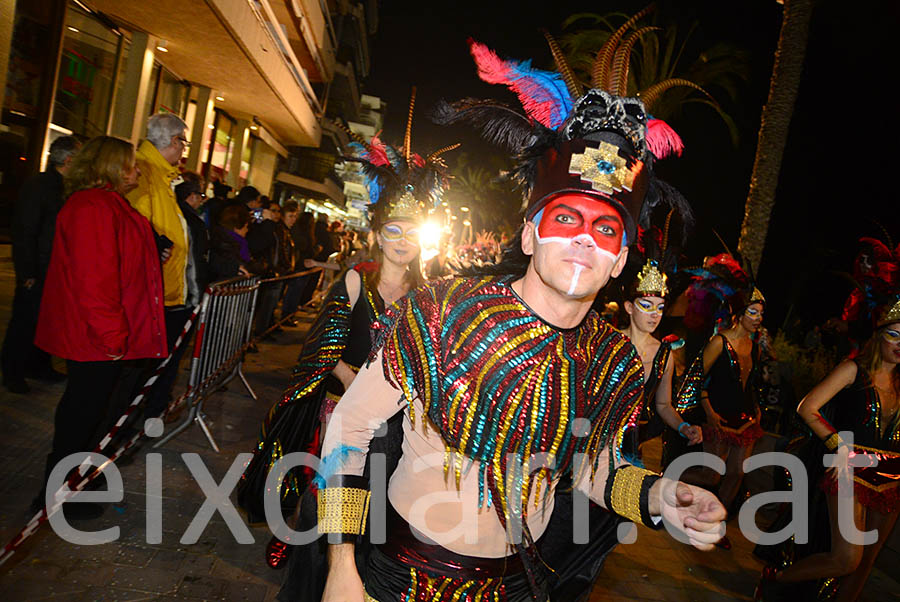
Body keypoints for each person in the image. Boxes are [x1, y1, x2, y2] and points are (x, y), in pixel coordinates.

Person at [317, 46, 724, 602]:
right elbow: (349, 428)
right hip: (401, 578)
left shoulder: (613, 359)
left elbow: (592, 471)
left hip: (518, 586)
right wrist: (342, 567)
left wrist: (659, 497)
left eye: (606, 229)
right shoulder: (443, 311)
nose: (584, 238)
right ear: (530, 235)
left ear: (621, 259)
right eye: (565, 218)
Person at [238, 100, 438, 595]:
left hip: (398, 424)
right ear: (376, 233)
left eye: (412, 232)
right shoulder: (355, 280)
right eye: (392, 229)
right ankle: (311, 577)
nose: (402, 240)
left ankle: (357, 581)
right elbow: (321, 352)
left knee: (379, 506)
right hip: (343, 411)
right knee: (330, 498)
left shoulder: (428, 294)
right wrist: (357, 386)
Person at [32, 136, 167, 518]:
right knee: (83, 415)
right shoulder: (93, 206)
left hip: (105, 336)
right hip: (97, 338)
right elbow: (95, 279)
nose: (137, 170)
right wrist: (112, 336)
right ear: (109, 166)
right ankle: (61, 492)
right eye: (130, 164)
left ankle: (79, 482)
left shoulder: (104, 205)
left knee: (95, 414)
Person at [755, 294, 900, 601]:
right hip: (850, 468)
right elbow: (807, 407)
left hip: (892, 474)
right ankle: (777, 578)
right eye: (894, 335)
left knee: (866, 564)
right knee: (847, 558)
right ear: (879, 335)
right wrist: (840, 445)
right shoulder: (853, 370)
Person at [2, 135, 80, 393]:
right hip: (38, 270)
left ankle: (38, 366)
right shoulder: (40, 186)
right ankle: (12, 373)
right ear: (68, 160)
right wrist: (28, 272)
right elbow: (25, 231)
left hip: (55, 270)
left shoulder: (64, 187)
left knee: (46, 323)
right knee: (24, 323)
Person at [127, 112, 192, 418]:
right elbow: (135, 227)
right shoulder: (145, 172)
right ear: (173, 140)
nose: (184, 150)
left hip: (165, 292)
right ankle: (124, 428)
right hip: (150, 294)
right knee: (136, 376)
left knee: (152, 370)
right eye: (184, 142)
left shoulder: (162, 175)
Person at [620, 229, 703, 464]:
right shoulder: (610, 342)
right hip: (595, 443)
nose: (654, 314)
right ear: (629, 307)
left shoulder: (664, 354)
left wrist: (684, 427)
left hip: (634, 448)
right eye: (646, 305)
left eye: (659, 307)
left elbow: (664, 405)